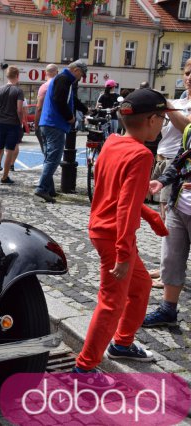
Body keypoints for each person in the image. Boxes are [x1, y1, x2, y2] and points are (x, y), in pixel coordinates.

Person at [72, 89, 173, 383]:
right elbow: (126, 207)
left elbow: (116, 196)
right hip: (114, 236)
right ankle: (84, 369)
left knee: (141, 286)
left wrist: (152, 216)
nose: (163, 124)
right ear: (152, 119)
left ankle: (122, 344)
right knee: (111, 302)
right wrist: (124, 253)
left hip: (103, 229)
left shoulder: (112, 143)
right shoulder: (142, 154)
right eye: (163, 119)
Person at [142, 58, 191, 327]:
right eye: (187, 72)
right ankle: (168, 310)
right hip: (180, 199)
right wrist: (162, 182)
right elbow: (183, 158)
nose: (190, 77)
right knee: (172, 255)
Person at [34, 60, 89, 203]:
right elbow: (60, 100)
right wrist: (70, 117)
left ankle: (49, 190)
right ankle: (41, 189)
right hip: (55, 124)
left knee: (49, 158)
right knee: (54, 158)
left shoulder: (62, 79)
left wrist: (85, 109)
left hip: (47, 123)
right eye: (81, 74)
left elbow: (71, 99)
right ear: (76, 70)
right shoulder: (64, 79)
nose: (80, 78)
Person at [0, 66, 24, 184]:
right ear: (17, 75)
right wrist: (20, 122)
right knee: (9, 150)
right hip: (13, 124)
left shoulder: (0, 89)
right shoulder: (18, 91)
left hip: (1, 123)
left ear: (7, 76)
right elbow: (19, 110)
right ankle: (5, 177)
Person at [34, 64, 59, 155]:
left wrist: (36, 124)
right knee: (55, 150)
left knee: (46, 150)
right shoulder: (60, 86)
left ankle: (47, 168)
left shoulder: (44, 87)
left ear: (45, 73)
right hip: (58, 123)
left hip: (45, 122)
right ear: (57, 72)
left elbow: (39, 107)